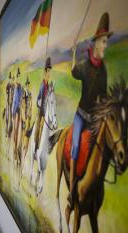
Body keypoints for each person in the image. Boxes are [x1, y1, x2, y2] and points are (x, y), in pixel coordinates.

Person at [69, 12, 112, 206]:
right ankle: (71, 189)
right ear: (95, 43)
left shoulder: (103, 71)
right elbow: (73, 72)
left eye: (106, 42)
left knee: (99, 150)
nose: (105, 45)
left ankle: (91, 187)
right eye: (103, 42)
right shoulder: (85, 66)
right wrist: (72, 55)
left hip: (93, 119)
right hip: (80, 115)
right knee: (76, 145)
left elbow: (103, 96)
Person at [34, 57, 52, 156]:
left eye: (50, 72)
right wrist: (39, 103)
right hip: (41, 112)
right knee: (39, 127)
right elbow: (38, 99)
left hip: (46, 112)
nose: (49, 74)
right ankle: (36, 147)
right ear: (45, 73)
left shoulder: (48, 86)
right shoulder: (42, 85)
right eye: (48, 72)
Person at [12, 68, 23, 151]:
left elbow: (21, 100)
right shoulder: (16, 88)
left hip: (20, 110)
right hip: (15, 110)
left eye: (19, 77)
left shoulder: (21, 88)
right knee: (15, 129)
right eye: (17, 77)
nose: (18, 79)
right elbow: (15, 101)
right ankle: (14, 147)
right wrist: (14, 112)